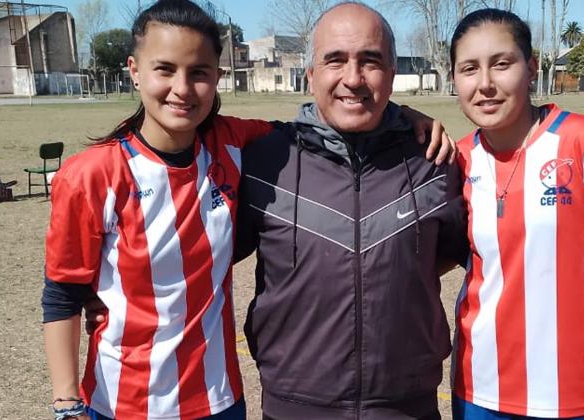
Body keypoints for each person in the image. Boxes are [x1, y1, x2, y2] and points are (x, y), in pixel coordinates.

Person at [42, 1, 452, 419]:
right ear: (134, 70)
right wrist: (66, 401)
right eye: (164, 69)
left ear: (216, 78)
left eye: (198, 73)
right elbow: (61, 295)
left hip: (219, 399)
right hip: (122, 401)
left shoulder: (236, 146)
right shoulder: (93, 173)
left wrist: (402, 115)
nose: (182, 88)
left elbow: (328, 120)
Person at [234, 3, 468, 419]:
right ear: (310, 75)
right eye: (335, 60)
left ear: (392, 75)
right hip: (294, 405)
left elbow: (450, 252)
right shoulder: (265, 159)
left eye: (371, 61)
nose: (353, 78)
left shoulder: (434, 160)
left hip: (407, 406)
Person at [449, 9, 584, 420]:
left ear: (532, 68)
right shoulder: (456, 159)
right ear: (455, 80)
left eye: (502, 64)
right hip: (477, 387)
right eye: (469, 69)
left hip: (572, 393)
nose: (485, 84)